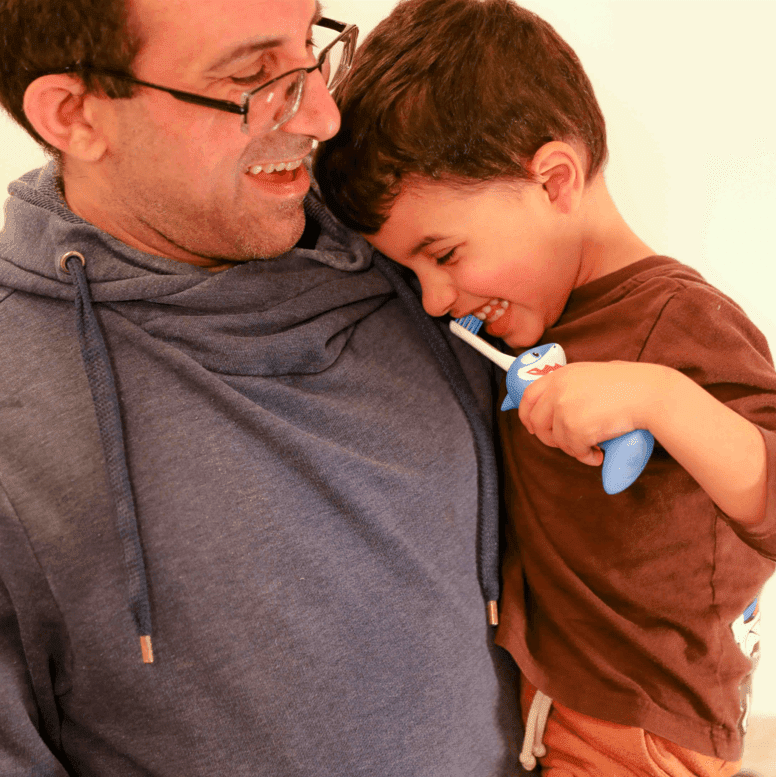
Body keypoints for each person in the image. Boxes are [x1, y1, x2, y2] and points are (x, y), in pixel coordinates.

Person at [0, 0, 528, 774]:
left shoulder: (425, 258)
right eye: (252, 76)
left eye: (310, 46)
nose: (323, 113)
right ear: (74, 114)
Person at [314, 0, 776, 774]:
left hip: (640, 733)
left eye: (445, 253)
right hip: (549, 708)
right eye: (412, 271)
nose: (434, 298)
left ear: (554, 179)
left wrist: (661, 398)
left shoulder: (678, 322)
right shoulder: (514, 323)